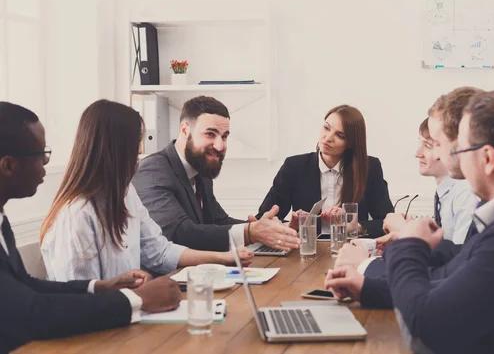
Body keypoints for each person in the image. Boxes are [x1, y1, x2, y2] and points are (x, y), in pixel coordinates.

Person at [329, 90, 494, 353]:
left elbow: (427, 329)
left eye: (458, 149)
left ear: (487, 158)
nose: (451, 158)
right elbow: (457, 278)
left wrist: (410, 244)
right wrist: (367, 289)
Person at [0, 102, 181, 353]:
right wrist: (138, 299)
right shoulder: (76, 214)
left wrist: (100, 286)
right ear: (8, 165)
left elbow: (26, 285)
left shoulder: (1, 219)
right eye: (40, 155)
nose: (45, 163)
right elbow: (32, 312)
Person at [40, 100, 253, 282]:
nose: (140, 150)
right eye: (135, 141)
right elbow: (84, 301)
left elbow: (159, 252)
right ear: (111, 147)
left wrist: (225, 258)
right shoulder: (77, 215)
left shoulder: (127, 194)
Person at [327, 87, 482, 309]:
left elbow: (450, 283)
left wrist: (367, 264)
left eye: (434, 144)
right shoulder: (461, 194)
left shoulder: (469, 195)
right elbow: (454, 258)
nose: (424, 153)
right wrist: (406, 241)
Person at [133, 96, 300, 253]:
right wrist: (251, 232)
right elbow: (178, 233)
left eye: (224, 136)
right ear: (184, 130)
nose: (220, 146)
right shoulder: (153, 169)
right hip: (161, 278)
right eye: (210, 134)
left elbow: (218, 221)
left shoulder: (201, 170)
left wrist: (274, 229)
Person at [256, 104, 394, 237]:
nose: (327, 138)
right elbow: (265, 218)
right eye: (326, 128)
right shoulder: (294, 166)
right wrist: (291, 226)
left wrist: (357, 228)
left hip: (350, 249)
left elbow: (387, 221)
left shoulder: (370, 167)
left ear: (351, 143)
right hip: (306, 250)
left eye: (340, 135)